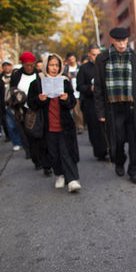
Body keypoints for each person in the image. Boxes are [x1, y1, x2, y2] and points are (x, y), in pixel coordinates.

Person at [94, 28, 136, 184]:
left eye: (124, 41)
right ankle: (119, 161)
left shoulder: (134, 57)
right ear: (112, 41)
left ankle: (134, 171)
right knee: (117, 140)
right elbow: (98, 87)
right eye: (118, 41)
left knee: (135, 141)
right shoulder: (102, 59)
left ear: (127, 41)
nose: (121, 44)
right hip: (112, 107)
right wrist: (100, 111)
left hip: (133, 105)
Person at [27, 54, 81, 192]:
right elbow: (31, 103)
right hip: (47, 126)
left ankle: (72, 180)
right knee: (53, 153)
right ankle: (60, 174)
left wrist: (66, 98)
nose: (54, 68)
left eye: (57, 65)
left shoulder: (64, 81)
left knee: (66, 152)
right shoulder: (37, 83)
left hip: (64, 125)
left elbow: (72, 103)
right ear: (46, 66)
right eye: (51, 65)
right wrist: (39, 99)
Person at [10, 51, 50, 174]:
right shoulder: (17, 76)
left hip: (38, 110)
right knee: (31, 137)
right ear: (23, 64)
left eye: (31, 65)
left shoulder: (39, 76)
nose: (29, 67)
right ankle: (36, 160)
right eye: (27, 65)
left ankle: (45, 162)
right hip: (24, 111)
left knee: (42, 136)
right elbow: (11, 93)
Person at [76, 46, 107, 161]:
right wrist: (90, 89)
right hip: (91, 103)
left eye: (98, 54)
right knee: (95, 128)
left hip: (105, 102)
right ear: (89, 55)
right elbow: (79, 86)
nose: (96, 57)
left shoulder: (105, 66)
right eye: (94, 54)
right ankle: (100, 152)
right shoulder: (84, 68)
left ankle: (110, 149)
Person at [0, 59, 22, 150]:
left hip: (17, 104)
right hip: (6, 105)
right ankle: (16, 142)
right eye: (4, 65)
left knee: (20, 125)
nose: (6, 67)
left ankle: (22, 141)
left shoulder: (15, 78)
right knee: (11, 125)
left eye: (8, 65)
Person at [64, 52, 84, 133]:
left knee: (80, 110)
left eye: (73, 59)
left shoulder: (80, 67)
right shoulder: (66, 69)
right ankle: (79, 126)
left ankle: (82, 124)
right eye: (70, 60)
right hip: (72, 92)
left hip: (80, 91)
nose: (71, 61)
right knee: (76, 110)